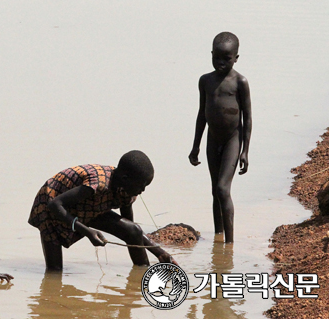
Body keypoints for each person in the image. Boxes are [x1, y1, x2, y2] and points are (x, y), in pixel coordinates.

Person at [28, 150, 177, 271]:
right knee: (55, 270)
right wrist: (87, 231)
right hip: (51, 203)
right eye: (141, 185)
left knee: (133, 230)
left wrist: (161, 254)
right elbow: (55, 205)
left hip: (88, 206)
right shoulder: (98, 184)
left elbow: (133, 233)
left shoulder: (126, 192)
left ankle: (142, 275)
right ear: (125, 178)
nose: (142, 190)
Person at [188, 31, 252, 243]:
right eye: (217, 57)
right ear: (211, 54)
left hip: (232, 140)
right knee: (215, 190)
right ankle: (218, 237)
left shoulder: (240, 82)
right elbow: (201, 114)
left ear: (236, 58)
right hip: (212, 140)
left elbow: (248, 119)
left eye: (227, 58)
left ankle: (230, 244)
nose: (221, 62)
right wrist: (195, 146)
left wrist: (245, 151)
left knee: (223, 188)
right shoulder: (205, 81)